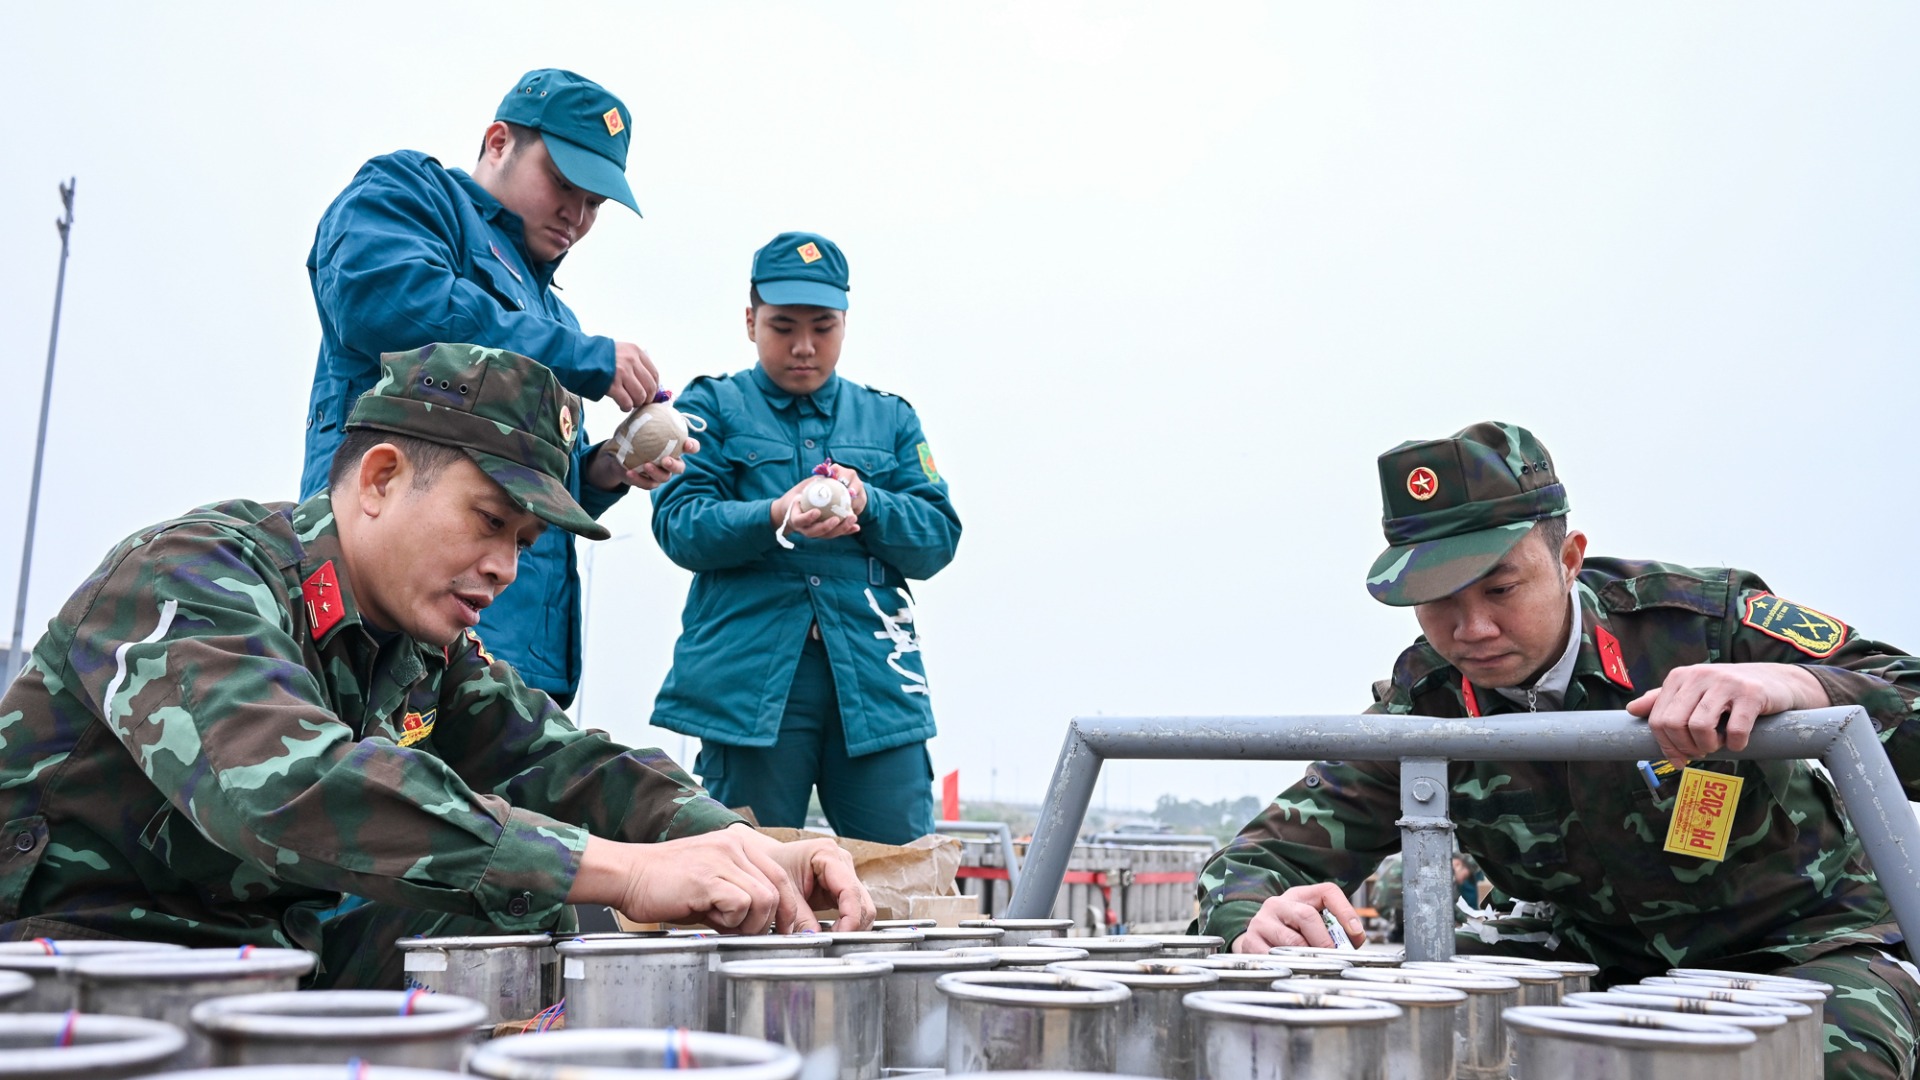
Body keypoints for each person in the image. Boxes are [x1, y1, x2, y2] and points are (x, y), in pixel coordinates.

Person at [0, 344, 873, 989]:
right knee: (571, 880)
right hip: (67, 957)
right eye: (489, 521)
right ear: (380, 477)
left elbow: (559, 761)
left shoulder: (419, 651)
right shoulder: (194, 575)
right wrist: (633, 870)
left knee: (543, 913)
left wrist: (742, 846)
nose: (505, 567)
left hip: (249, 962)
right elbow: (289, 790)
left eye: (524, 544)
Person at [1197, 421, 1920, 1078]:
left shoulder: (1700, 626)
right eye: (1440, 600)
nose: (1471, 627)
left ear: (1569, 558)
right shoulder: (1428, 705)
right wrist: (1255, 916)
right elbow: (1256, 858)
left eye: (1502, 587)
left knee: (1832, 1065)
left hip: (1802, 950)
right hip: (1599, 973)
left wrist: (1797, 684)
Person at [301, 68, 677, 705]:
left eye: (595, 203)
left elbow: (531, 493)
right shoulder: (408, 196)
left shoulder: (560, 318)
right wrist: (581, 357)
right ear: (498, 141)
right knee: (383, 799)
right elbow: (385, 303)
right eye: (563, 183)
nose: (577, 215)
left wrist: (609, 467)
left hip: (519, 651)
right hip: (390, 624)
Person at [648, 232, 961, 845]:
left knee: (903, 872)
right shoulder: (709, 408)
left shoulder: (891, 419)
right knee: (743, 878)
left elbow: (938, 536)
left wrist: (869, 501)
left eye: (823, 327)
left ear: (845, 322)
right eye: (782, 326)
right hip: (751, 689)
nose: (803, 347)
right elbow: (680, 523)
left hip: (875, 683)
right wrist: (774, 515)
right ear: (750, 321)